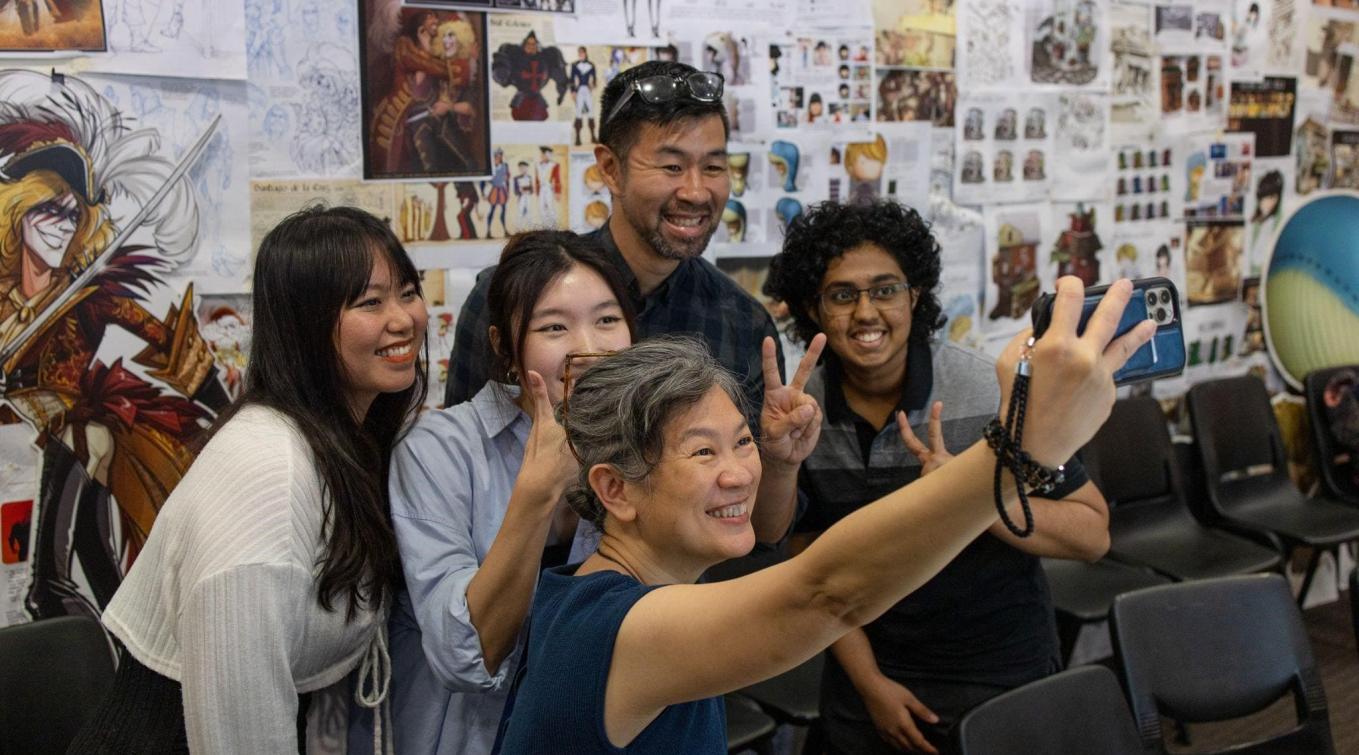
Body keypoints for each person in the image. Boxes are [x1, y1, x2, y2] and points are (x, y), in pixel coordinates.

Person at [497, 273, 1153, 752]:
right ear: (614, 489)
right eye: (702, 451)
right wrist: (1021, 448)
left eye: (741, 441)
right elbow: (825, 591)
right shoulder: (617, 626)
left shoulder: (588, 596)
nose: (737, 472)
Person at [366, 230, 818, 754]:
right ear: (502, 347)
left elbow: (738, 531)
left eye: (607, 320)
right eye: (554, 326)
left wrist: (776, 462)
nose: (589, 348)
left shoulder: (640, 437)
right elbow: (462, 659)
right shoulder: (438, 450)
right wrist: (535, 496)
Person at [70, 206, 429, 752]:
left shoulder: (345, 436)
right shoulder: (268, 472)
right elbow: (239, 729)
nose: (404, 319)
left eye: (407, 292)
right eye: (370, 302)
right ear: (305, 325)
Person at [767, 201, 1112, 753]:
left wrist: (971, 493)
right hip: (869, 677)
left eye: (885, 290)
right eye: (841, 294)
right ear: (814, 307)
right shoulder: (800, 413)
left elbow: (1092, 534)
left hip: (1001, 671)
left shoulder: (990, 393)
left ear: (916, 297)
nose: (866, 312)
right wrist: (871, 685)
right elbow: (811, 564)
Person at [0, 69, 228, 622]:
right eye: (48, 209)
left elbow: (164, 340)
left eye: (72, 212)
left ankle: (56, 589)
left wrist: (227, 415)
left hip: (72, 438)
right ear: (17, 211)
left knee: (88, 434)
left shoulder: (89, 299)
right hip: (13, 456)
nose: (61, 224)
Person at [443, 61, 782, 426]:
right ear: (610, 168)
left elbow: (746, 478)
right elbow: (466, 453)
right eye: (672, 167)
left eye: (714, 168)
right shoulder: (510, 297)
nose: (696, 192)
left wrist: (781, 462)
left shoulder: (743, 324)